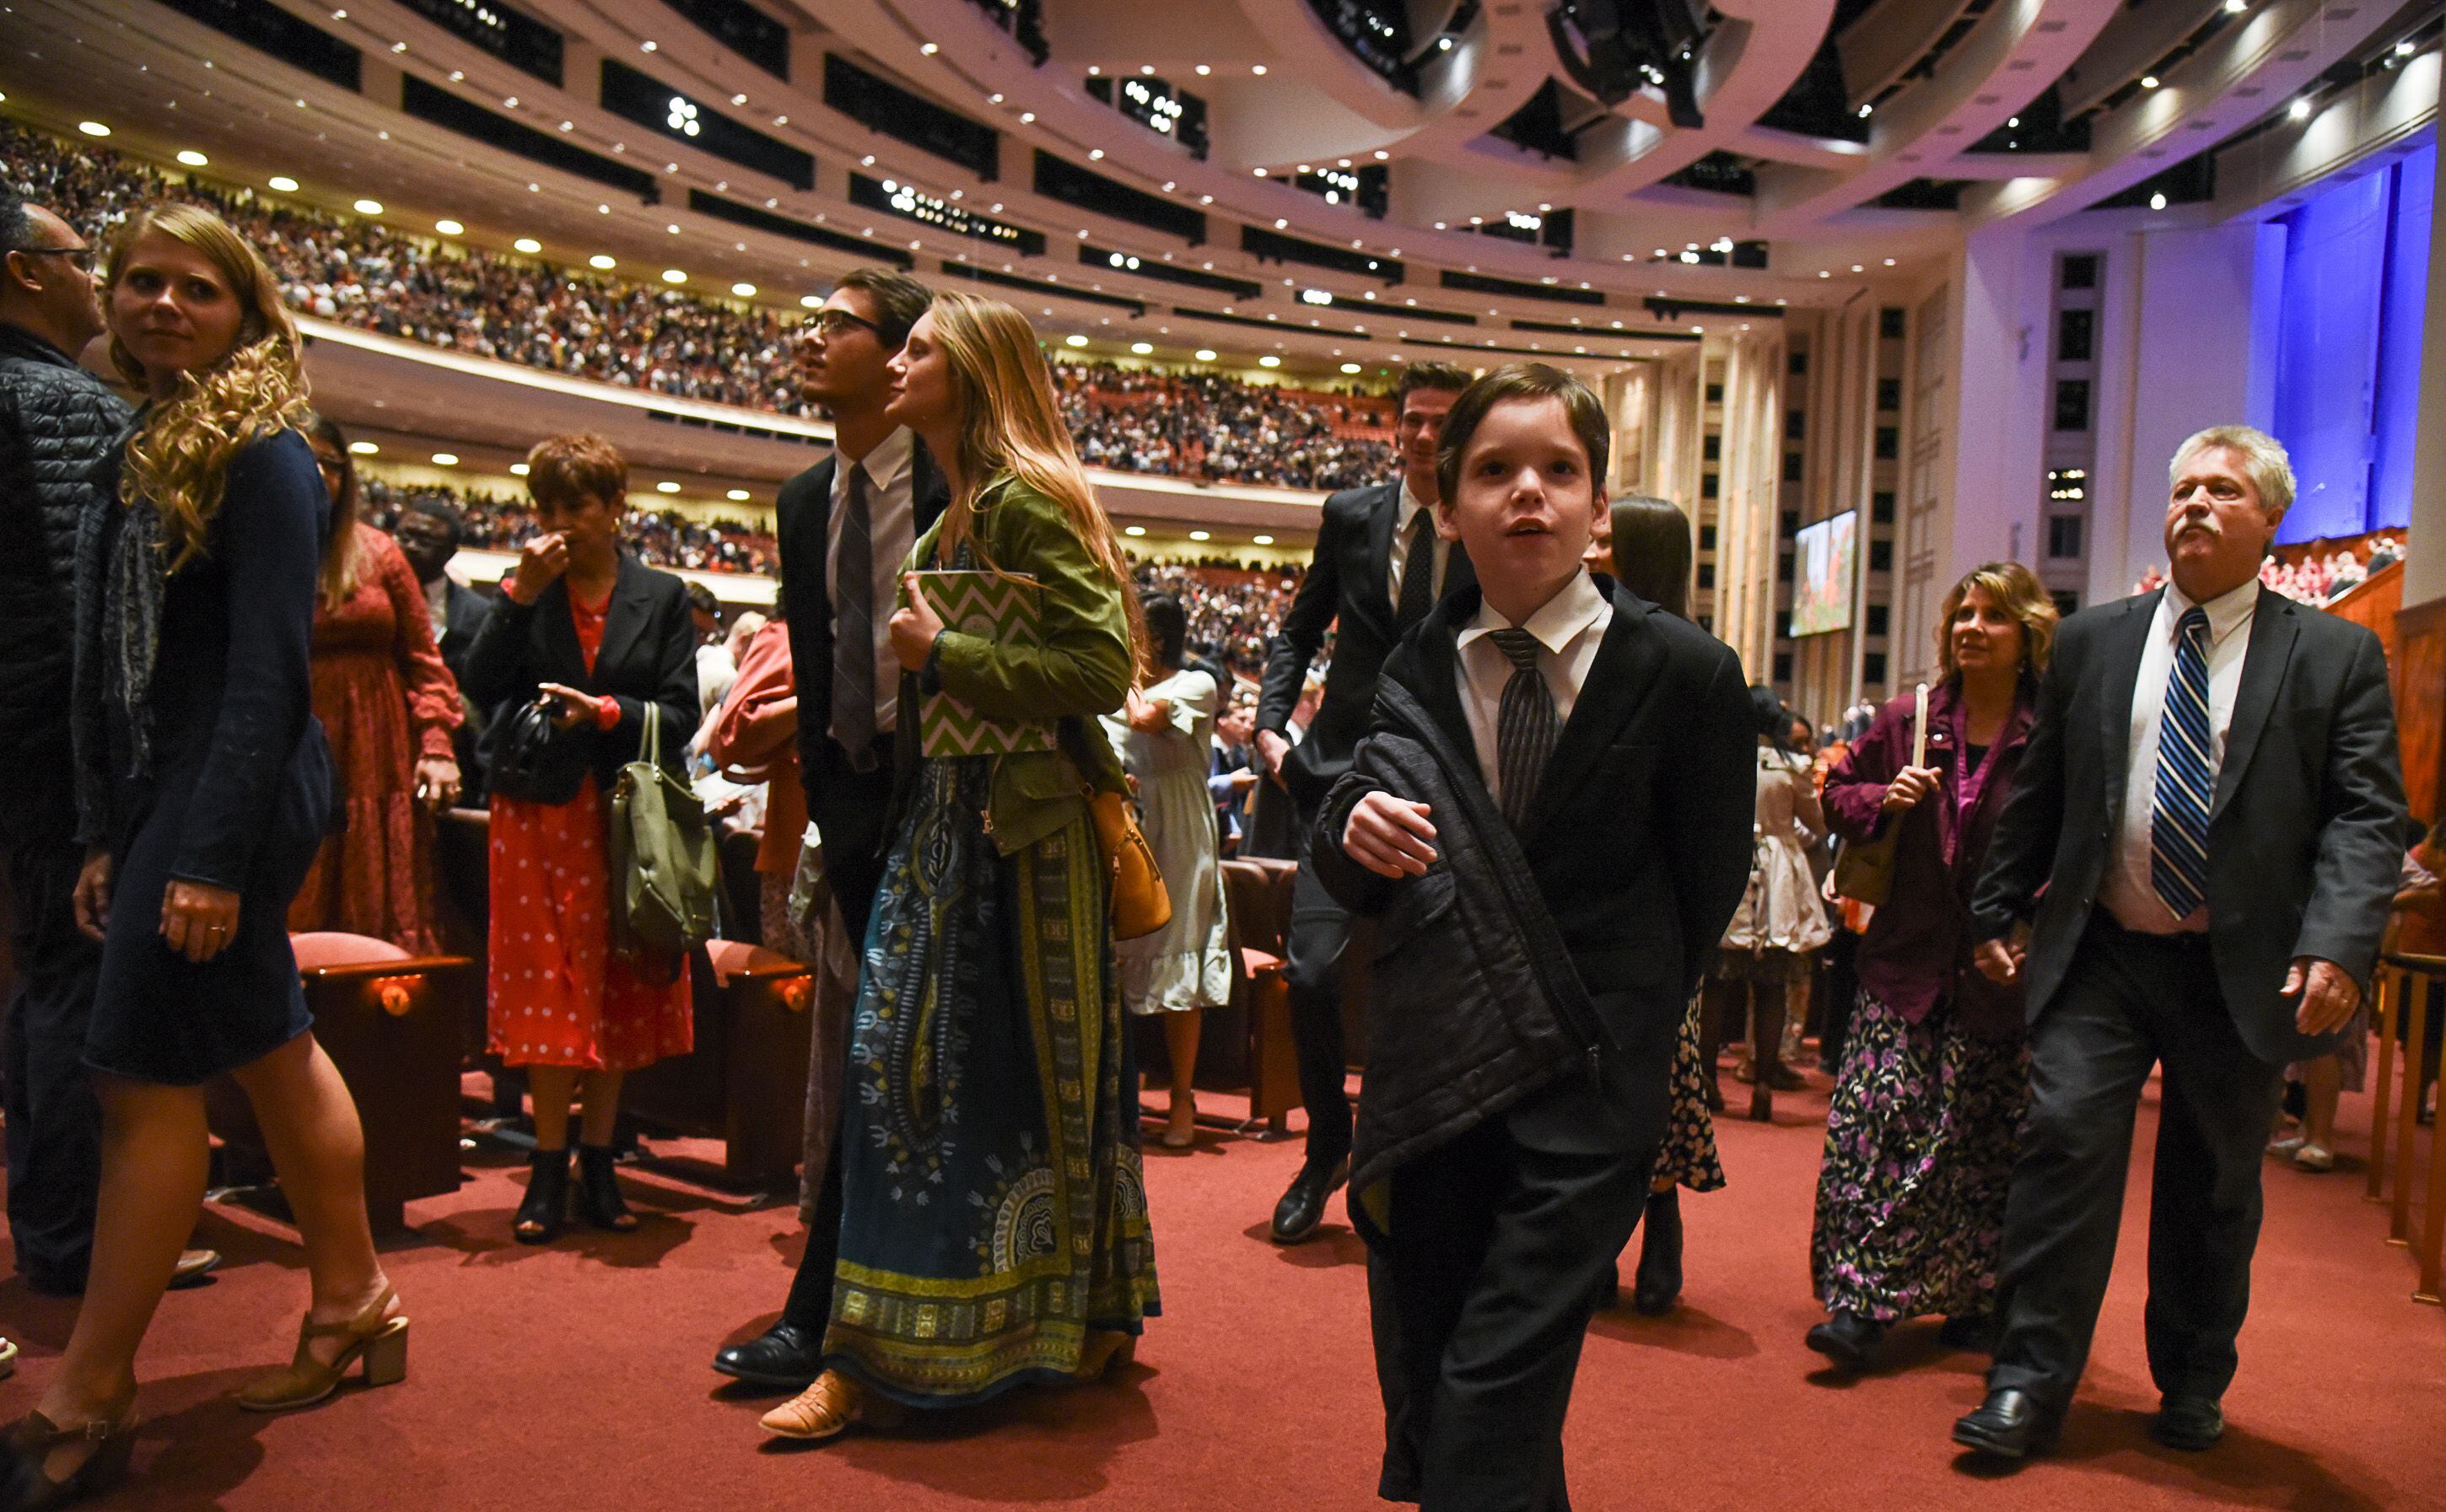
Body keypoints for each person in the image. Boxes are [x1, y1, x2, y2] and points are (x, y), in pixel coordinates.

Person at [1308, 363, 1753, 1509]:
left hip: (1588, 1083)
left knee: (1490, 1387)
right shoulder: (1410, 665)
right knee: (1460, 1367)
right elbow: (1343, 847)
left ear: (1600, 508)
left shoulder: (1690, 674)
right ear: (1446, 502)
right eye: (1494, 470)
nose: (1529, 494)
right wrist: (1348, 829)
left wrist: (1628, 1029)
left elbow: (1705, 887)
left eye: (1560, 470)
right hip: (1440, 1079)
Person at [9, 202, 398, 1510]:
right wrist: (111, 831)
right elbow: (125, 678)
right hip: (173, 792)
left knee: (132, 1077)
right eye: (137, 281)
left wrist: (208, 856)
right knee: (273, 1051)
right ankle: (354, 1303)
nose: (162, 304)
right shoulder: (149, 440)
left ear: (251, 313)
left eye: (198, 289)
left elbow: (265, 673)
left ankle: (92, 1387)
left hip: (229, 792)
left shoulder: (268, 450)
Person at [1956, 425, 2406, 1460]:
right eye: (2182, 488)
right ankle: (2025, 1383)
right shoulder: (2090, 641)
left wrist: (2338, 943)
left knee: (2211, 1182)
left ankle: (2192, 1377)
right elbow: (2045, 794)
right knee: (2061, 1146)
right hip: (2104, 951)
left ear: (2269, 520)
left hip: (2236, 966)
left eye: (2222, 491)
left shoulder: (2333, 651)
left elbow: (2364, 814)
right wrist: (1992, 909)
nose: (2194, 505)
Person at [757, 291, 1159, 1441]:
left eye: (922, 348)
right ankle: (893, 1346)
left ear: (972, 373)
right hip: (953, 830)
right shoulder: (956, 522)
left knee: (1020, 1088)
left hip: (1022, 840)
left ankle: (1030, 1325)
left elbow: (1097, 663)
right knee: (914, 1082)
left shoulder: (1026, 502)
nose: (902, 361)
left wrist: (946, 651)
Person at [711, 266, 946, 1393]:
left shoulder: (967, 482)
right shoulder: (807, 499)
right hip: (852, 808)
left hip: (957, 802)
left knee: (909, 1061)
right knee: (870, 1055)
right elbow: (818, 661)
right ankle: (850, 1302)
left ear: (900, 354)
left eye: (837, 325)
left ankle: (839, 1307)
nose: (810, 339)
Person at [0, 193, 226, 1304]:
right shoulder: (56, 404)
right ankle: (73, 1236)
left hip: (35, 741)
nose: (101, 282)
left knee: (43, 972)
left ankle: (55, 1220)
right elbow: (93, 623)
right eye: (88, 262)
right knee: (73, 982)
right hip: (63, 751)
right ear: (27, 272)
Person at [1806, 562, 2056, 1372]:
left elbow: (2070, 833)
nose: (1970, 629)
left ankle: (1969, 1295)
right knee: (1874, 1132)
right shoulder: (1912, 718)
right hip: (1903, 963)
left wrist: (2031, 913)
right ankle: (1859, 1302)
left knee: (1978, 1143)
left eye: (1992, 616)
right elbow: (1833, 794)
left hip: (1996, 974)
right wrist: (1885, 800)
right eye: (1962, 614)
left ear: (2028, 636)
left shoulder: (2047, 732)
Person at [1253, 359, 1476, 1244]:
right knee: (1308, 973)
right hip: (1335, 773)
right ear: (1394, 428)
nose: (1424, 436)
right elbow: (1298, 628)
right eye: (1412, 420)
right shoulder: (1350, 516)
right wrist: (1270, 728)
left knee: (1414, 985)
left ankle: (1391, 1158)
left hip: (1440, 783)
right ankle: (1325, 1147)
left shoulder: (1482, 523)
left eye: (1440, 424)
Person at [461, 433, 698, 1245]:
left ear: (616, 507)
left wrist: (604, 713)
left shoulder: (662, 595)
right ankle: (547, 1167)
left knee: (620, 984)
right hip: (538, 813)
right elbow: (481, 686)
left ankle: (600, 1162)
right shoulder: (528, 588)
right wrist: (519, 597)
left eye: (578, 505)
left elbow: (681, 716)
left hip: (628, 817)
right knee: (548, 986)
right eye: (547, 505)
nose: (559, 521)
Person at [1598, 493, 1722, 1315]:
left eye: (1606, 537)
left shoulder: (1693, 663)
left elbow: (1709, 827)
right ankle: (1600, 1234)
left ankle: (1662, 1221)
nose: (1587, 544)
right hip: (1584, 908)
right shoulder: (1570, 644)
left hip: (1661, 919)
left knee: (1659, 1084)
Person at [286, 415, 462, 952]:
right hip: (292, 743)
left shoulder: (382, 553)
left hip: (376, 752)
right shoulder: (255, 548)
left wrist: (435, 745)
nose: (317, 474)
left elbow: (426, 664)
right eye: (303, 458)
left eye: (331, 464)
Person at [1106, 594, 1232, 1149]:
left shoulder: (1197, 684)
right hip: (1131, 826)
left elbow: (1143, 718)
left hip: (1183, 828)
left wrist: (1127, 672)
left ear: (1154, 637)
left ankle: (1182, 1096)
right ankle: (1117, 1096)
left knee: (1182, 949)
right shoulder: (1113, 688)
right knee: (1119, 956)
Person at [1717, 686, 1832, 1121]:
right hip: (1781, 874)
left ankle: (1709, 1079)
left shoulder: (1724, 757)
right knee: (1772, 985)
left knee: (1715, 984)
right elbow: (1819, 823)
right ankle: (1764, 1083)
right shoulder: (1791, 767)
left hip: (1730, 864)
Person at [389, 494, 492, 798]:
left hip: (453, 750)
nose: (410, 546)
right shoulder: (370, 602)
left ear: (450, 553)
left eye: (425, 540)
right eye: (405, 536)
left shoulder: (478, 613)